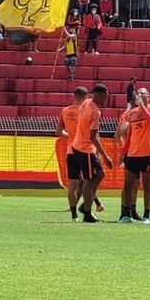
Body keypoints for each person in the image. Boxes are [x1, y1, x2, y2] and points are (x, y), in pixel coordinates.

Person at [56, 86, 104, 222]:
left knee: (73, 184)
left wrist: (70, 135)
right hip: (83, 149)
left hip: (71, 150)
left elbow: (59, 131)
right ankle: (88, 208)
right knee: (89, 180)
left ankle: (74, 215)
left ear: (74, 95)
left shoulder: (65, 111)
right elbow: (92, 132)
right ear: (86, 95)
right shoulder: (86, 108)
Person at [69, 84, 114, 223]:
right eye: (104, 96)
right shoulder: (95, 111)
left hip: (77, 146)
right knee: (89, 180)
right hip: (85, 148)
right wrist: (105, 156)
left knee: (100, 174)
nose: (105, 99)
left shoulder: (86, 102)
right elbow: (93, 136)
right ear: (98, 95)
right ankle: (87, 213)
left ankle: (85, 203)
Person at [116, 88, 150, 223]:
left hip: (149, 154)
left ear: (149, 96)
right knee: (128, 185)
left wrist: (143, 107)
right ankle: (126, 214)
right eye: (138, 94)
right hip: (133, 154)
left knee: (147, 186)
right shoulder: (131, 114)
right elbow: (130, 136)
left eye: (143, 94)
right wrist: (123, 152)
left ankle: (146, 215)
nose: (140, 95)